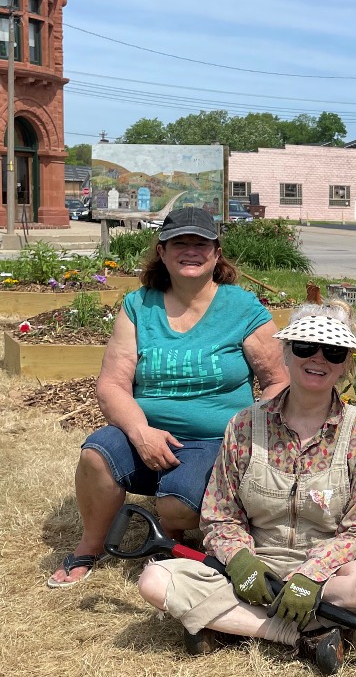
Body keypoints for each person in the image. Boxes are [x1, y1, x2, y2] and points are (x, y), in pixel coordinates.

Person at [138, 305, 356, 675]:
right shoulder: (245, 425)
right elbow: (220, 515)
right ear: (286, 353)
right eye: (305, 347)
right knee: (154, 580)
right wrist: (241, 561)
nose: (318, 359)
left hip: (328, 577)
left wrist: (311, 574)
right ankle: (302, 636)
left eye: (333, 352)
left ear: (345, 365)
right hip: (255, 567)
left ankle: (230, 624)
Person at [48, 207, 289, 588]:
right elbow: (112, 385)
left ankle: (170, 528)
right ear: (162, 252)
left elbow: (277, 381)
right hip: (145, 433)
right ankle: (90, 546)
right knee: (96, 455)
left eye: (201, 244)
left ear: (216, 253)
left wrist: (248, 437)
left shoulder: (242, 308)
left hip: (213, 441)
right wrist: (141, 432)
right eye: (179, 243)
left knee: (177, 505)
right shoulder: (139, 306)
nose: (190, 251)